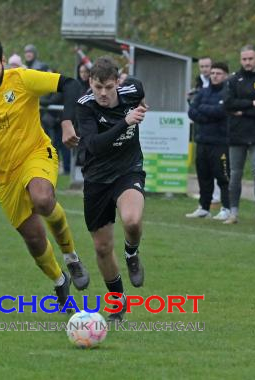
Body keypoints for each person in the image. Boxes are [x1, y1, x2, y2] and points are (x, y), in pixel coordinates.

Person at [0, 39, 89, 311]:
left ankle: (71, 256)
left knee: (43, 199)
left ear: (3, 62)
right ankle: (60, 281)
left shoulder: (22, 79)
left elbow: (70, 84)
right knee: (34, 238)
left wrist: (67, 121)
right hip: (2, 176)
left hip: (35, 153)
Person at [76, 56, 147, 321]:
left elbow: (139, 89)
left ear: (118, 82)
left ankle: (132, 253)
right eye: (97, 87)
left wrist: (138, 107)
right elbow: (94, 145)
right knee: (103, 248)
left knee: (132, 219)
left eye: (108, 87)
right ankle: (117, 303)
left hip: (127, 172)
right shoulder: (85, 106)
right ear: (90, 83)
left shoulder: (132, 91)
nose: (103, 93)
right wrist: (125, 122)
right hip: (96, 180)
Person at [224, 45, 255, 226]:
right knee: (235, 174)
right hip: (237, 134)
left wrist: (243, 111)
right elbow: (229, 104)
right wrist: (253, 103)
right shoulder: (232, 80)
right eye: (244, 59)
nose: (247, 62)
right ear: (240, 60)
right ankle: (233, 213)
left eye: (250, 59)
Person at [186, 62, 231, 220]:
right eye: (213, 73)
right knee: (203, 175)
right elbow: (192, 111)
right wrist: (207, 114)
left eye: (218, 73)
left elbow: (221, 111)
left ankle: (226, 207)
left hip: (220, 142)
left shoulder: (228, 93)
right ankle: (204, 207)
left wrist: (203, 110)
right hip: (202, 140)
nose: (215, 76)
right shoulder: (203, 92)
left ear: (225, 75)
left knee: (223, 176)